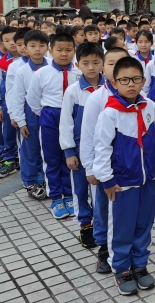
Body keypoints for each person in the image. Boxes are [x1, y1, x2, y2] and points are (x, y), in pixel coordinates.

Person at [94, 57, 155, 296]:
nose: (131, 84)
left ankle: (140, 264)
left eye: (136, 79)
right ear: (114, 83)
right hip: (122, 183)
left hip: (147, 181)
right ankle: (122, 268)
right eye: (124, 80)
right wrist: (107, 179)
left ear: (143, 81)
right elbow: (102, 148)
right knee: (122, 228)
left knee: (144, 224)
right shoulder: (110, 113)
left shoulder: (150, 106)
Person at [79, 47, 131, 274]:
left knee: (125, 209)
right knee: (102, 208)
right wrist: (90, 167)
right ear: (103, 67)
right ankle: (103, 249)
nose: (117, 68)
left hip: (128, 168)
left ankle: (125, 247)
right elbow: (87, 134)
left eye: (122, 62)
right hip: (103, 168)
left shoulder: (138, 97)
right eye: (111, 63)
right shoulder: (97, 98)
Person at [27, 32, 80, 219]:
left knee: (69, 156)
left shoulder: (78, 73)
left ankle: (69, 195)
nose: (64, 54)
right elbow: (33, 99)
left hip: (72, 117)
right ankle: (56, 197)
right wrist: (45, 115)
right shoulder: (42, 73)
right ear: (50, 51)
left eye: (68, 50)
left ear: (74, 51)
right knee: (51, 157)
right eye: (59, 50)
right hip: (50, 116)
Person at [59, 41, 105, 247]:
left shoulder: (109, 89)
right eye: (86, 63)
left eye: (96, 62)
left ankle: (101, 223)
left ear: (103, 63)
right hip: (79, 150)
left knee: (101, 187)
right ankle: (85, 224)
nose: (91, 67)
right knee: (80, 189)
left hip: (104, 149)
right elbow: (66, 123)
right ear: (78, 65)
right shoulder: (73, 92)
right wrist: (69, 151)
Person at [9, 30, 49, 201]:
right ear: (25, 48)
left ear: (48, 47)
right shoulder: (22, 71)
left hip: (49, 112)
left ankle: (47, 179)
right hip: (30, 114)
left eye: (41, 45)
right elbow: (17, 96)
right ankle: (31, 181)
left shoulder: (52, 67)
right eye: (33, 46)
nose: (37, 49)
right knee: (30, 149)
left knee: (48, 147)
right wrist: (20, 120)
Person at [0, 26, 19, 178]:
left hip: (28, 104)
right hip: (7, 104)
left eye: (14, 39)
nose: (11, 43)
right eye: (7, 40)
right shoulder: (0, 63)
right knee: (8, 133)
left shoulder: (32, 60)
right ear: (2, 43)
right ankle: (9, 160)